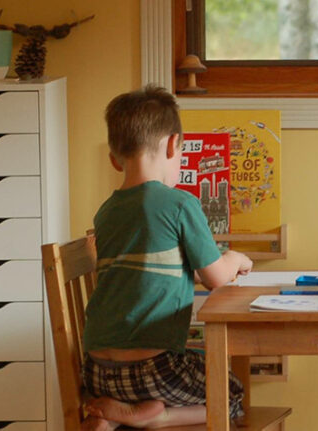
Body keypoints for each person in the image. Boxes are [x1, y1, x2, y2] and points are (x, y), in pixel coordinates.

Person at [80, 85, 254, 430]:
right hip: (154, 370)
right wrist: (235, 258)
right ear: (174, 145)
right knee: (232, 395)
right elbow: (216, 277)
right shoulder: (180, 204)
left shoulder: (106, 212)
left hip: (96, 373)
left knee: (193, 364)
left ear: (115, 158)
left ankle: (114, 415)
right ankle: (159, 417)